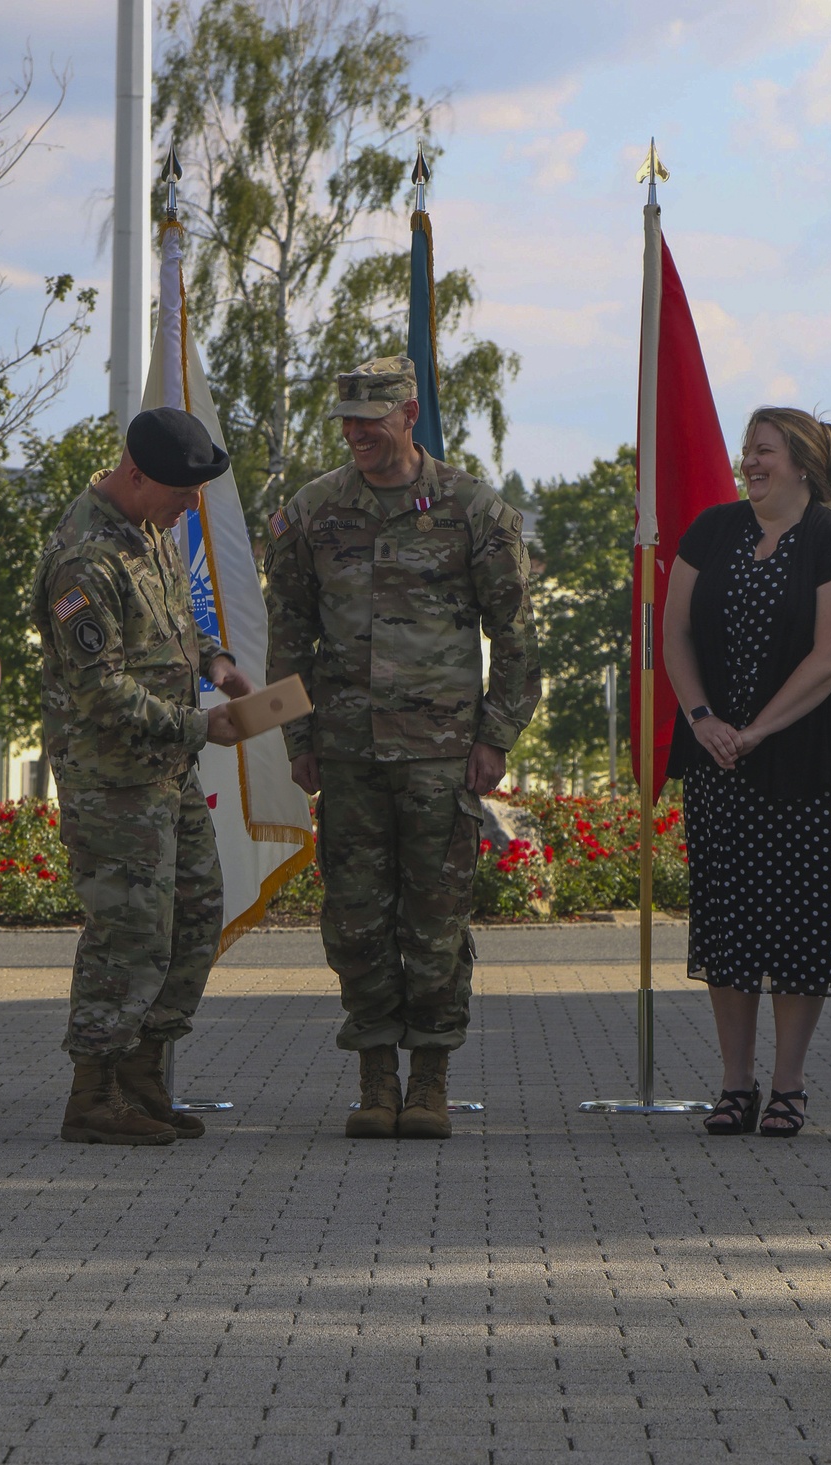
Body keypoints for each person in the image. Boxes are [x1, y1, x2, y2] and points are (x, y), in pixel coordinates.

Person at [265, 356, 540, 1140]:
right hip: (347, 755)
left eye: (370, 419)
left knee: (436, 919)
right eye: (345, 421)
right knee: (354, 921)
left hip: (441, 757)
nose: (355, 434)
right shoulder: (314, 512)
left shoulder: (472, 510)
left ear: (408, 413)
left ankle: (430, 1080)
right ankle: (375, 1078)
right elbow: (288, 634)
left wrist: (495, 739)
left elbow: (515, 638)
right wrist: (299, 735)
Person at [32, 408, 252, 1145]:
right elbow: (101, 690)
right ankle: (92, 1096)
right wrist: (201, 725)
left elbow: (177, 619)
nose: (189, 507)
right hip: (113, 781)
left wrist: (215, 659)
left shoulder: (148, 532)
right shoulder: (84, 560)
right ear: (135, 474)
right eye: (180, 493)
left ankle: (144, 1075)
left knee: (194, 916)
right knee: (128, 932)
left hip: (166, 771)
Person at [663, 406, 831, 1138]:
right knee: (728, 924)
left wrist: (756, 730)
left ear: (804, 462)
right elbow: (675, 629)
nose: (749, 462)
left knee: (800, 926)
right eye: (746, 450)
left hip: (805, 764)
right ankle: (734, 1084)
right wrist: (702, 720)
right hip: (718, 760)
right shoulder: (712, 530)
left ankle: (788, 1085)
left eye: (765, 450)